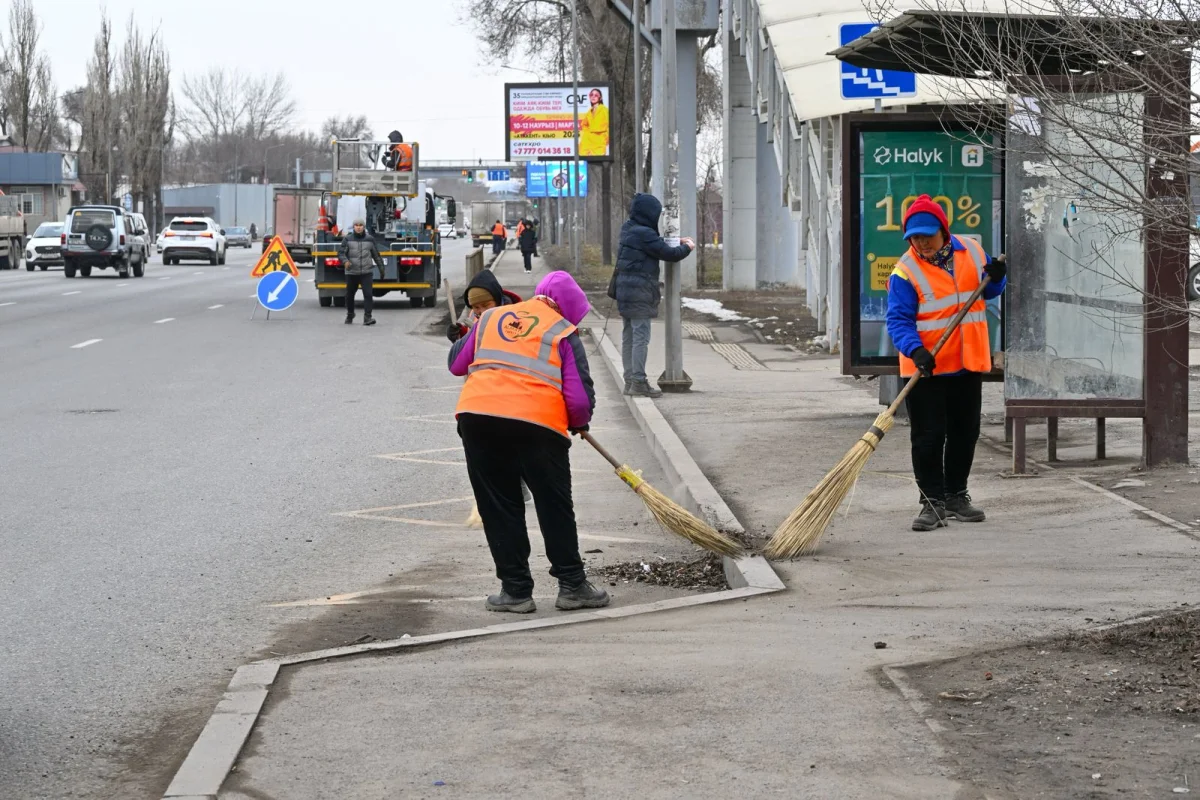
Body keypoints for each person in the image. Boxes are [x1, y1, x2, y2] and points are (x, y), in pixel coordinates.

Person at [449, 270, 606, 613]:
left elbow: (457, 364)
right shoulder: (562, 330)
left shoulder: (490, 317)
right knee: (554, 505)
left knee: (499, 505)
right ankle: (572, 586)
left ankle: (516, 591)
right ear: (566, 307)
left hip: (479, 419)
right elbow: (578, 399)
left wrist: (469, 333)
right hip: (537, 426)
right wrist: (579, 423)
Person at [885, 194, 1007, 532]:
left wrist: (997, 276)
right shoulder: (904, 271)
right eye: (915, 237)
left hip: (967, 362)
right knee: (928, 435)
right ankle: (931, 502)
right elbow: (898, 320)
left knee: (965, 433)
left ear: (944, 231)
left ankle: (955, 495)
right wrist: (915, 350)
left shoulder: (971, 251)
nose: (922, 243)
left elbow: (990, 290)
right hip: (927, 367)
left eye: (928, 235)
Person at [613, 193, 695, 397]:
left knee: (629, 336)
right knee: (641, 337)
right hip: (639, 291)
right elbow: (670, 254)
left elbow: (654, 244)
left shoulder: (629, 228)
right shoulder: (645, 234)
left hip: (625, 290)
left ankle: (630, 381)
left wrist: (676, 240)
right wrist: (687, 247)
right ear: (649, 214)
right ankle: (639, 383)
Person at [446, 269, 523, 343]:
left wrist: (480, 333)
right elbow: (470, 345)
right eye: (476, 307)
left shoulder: (516, 317)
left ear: (497, 301)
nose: (482, 312)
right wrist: (460, 333)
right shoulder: (473, 314)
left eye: (486, 305)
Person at [337, 218, 385, 326]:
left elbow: (376, 255)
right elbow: (340, 253)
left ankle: (367, 317)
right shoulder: (347, 239)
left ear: (364, 227)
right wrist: (345, 262)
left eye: (360, 225)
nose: (358, 227)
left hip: (366, 273)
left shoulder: (370, 239)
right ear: (353, 227)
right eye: (356, 225)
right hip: (351, 273)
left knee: (368, 295)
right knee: (349, 295)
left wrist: (381, 268)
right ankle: (350, 314)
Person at [579, 88, 609, 157]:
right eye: (591, 95)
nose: (593, 96)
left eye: (596, 95)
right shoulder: (589, 111)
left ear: (600, 98)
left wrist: (605, 138)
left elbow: (609, 124)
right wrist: (587, 133)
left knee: (597, 165)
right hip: (588, 143)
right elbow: (584, 124)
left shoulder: (604, 109)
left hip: (599, 143)